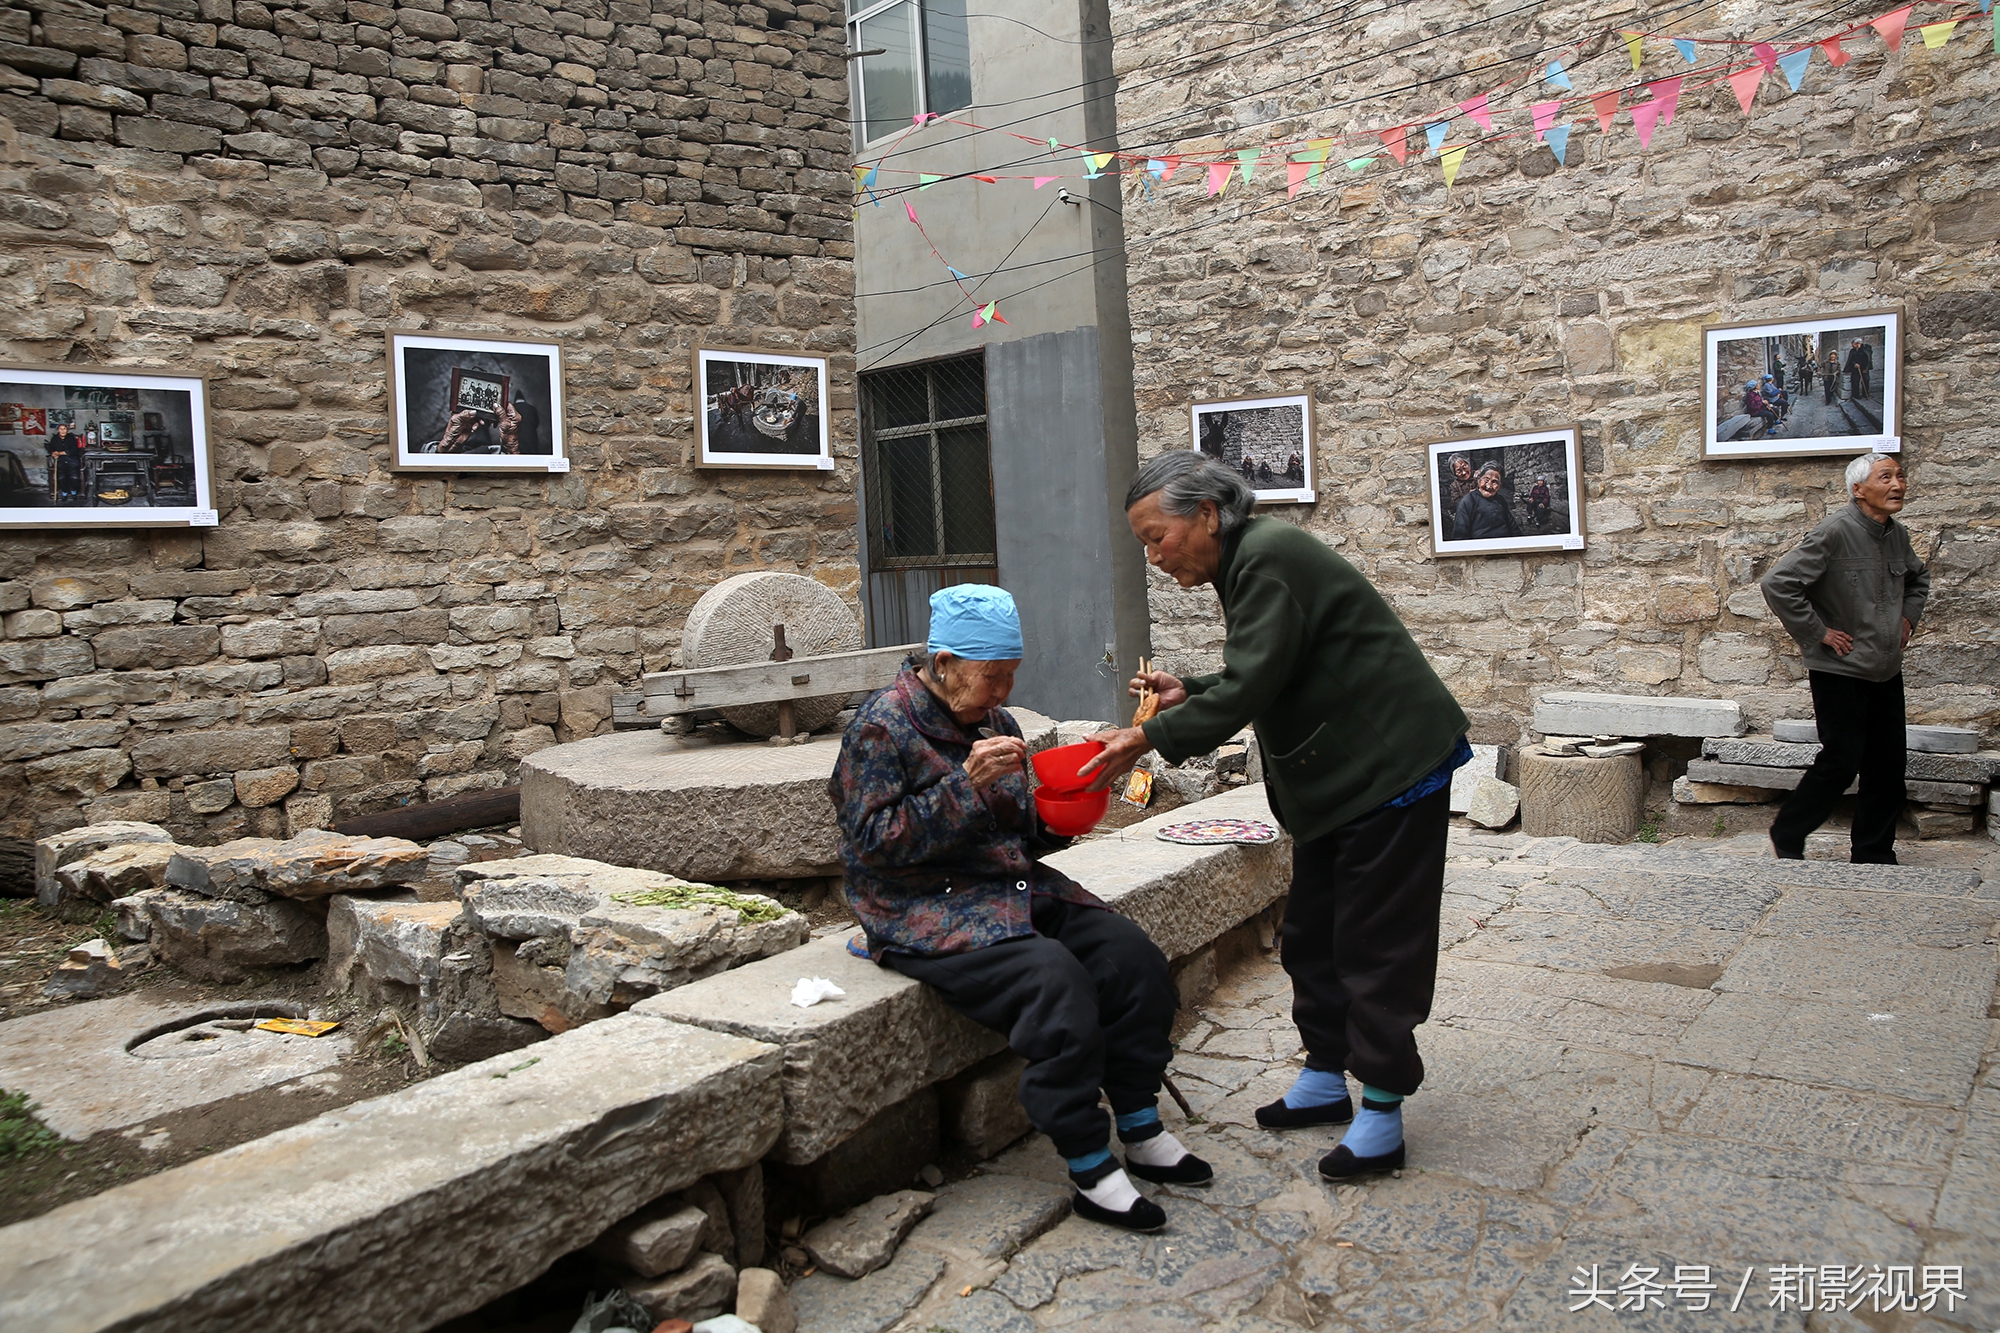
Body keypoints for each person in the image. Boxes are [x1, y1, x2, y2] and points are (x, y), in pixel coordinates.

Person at [1079, 452, 1470, 1181]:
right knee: (1314, 934)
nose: (1155, 556)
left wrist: (1145, 737)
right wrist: (1187, 690)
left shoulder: (1267, 554)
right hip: (1335, 786)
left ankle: (1381, 1109)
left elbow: (1255, 678)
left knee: (1377, 944)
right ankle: (1326, 1076)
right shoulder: (1248, 565)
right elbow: (1269, 666)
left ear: (1205, 515)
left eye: (1157, 537)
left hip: (1389, 769)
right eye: (1144, 544)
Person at [828, 585, 1211, 1233]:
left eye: (1011, 675)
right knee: (1054, 982)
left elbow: (1015, 831)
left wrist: (1065, 813)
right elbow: (871, 847)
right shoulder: (880, 727)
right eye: (991, 676)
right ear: (943, 662)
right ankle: (1091, 1164)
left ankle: (1141, 1124)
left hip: (1008, 885)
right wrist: (961, 785)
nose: (1003, 691)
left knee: (1131, 958)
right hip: (919, 906)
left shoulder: (997, 725)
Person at [1761, 454, 1928, 865]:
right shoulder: (1834, 532)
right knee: (1841, 761)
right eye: (1885, 477)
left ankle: (1873, 852)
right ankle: (1789, 830)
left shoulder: (1897, 535)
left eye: (1900, 476)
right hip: (1841, 667)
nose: (1897, 485)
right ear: (1859, 490)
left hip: (1885, 668)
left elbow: (1917, 578)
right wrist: (1819, 633)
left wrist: (1908, 617)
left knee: (1888, 766)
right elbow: (1778, 583)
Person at [1453, 461, 1519, 540]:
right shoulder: (1468, 502)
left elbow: (1513, 527)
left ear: (1500, 485)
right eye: (1486, 480)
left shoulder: (1501, 500)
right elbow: (1460, 536)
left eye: (1495, 482)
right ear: (1479, 480)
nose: (1489, 486)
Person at [44, 422, 86, 501]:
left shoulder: (71, 438)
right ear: (58, 430)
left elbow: (74, 450)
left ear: (67, 430)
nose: (63, 431)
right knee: (61, 478)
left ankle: (73, 491)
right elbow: (51, 449)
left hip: (72, 460)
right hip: (61, 461)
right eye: (61, 429)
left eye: (64, 429)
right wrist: (53, 453)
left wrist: (60, 453)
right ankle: (65, 492)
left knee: (74, 478)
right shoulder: (54, 439)